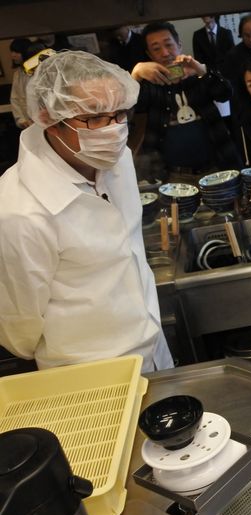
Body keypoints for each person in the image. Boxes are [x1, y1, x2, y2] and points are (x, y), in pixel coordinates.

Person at [0, 51, 174, 373]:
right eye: (94, 117)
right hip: (88, 372)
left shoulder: (115, 158)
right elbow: (19, 329)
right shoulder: (19, 211)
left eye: (120, 113)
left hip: (152, 347)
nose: (113, 130)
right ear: (48, 119)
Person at [131, 22, 241, 183]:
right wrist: (135, 74)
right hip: (173, 176)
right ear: (150, 55)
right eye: (156, 49)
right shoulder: (148, 86)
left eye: (169, 44)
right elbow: (125, 108)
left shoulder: (198, 75)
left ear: (179, 45)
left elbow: (225, 93)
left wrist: (201, 70)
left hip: (216, 168)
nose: (165, 53)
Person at [9, 38, 33, 129]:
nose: (13, 55)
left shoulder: (37, 71)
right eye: (12, 52)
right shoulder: (17, 74)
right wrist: (21, 119)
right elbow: (14, 98)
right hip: (27, 122)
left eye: (16, 52)